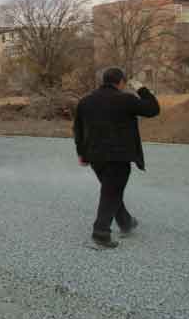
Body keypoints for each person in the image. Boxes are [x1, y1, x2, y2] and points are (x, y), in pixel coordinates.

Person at [73, 67, 160, 248]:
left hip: (95, 157)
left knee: (111, 190)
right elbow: (153, 109)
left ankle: (126, 222)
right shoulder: (125, 99)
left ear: (103, 81)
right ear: (121, 82)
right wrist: (141, 88)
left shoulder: (85, 102)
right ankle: (101, 233)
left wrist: (81, 153)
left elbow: (78, 130)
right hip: (118, 156)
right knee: (111, 192)